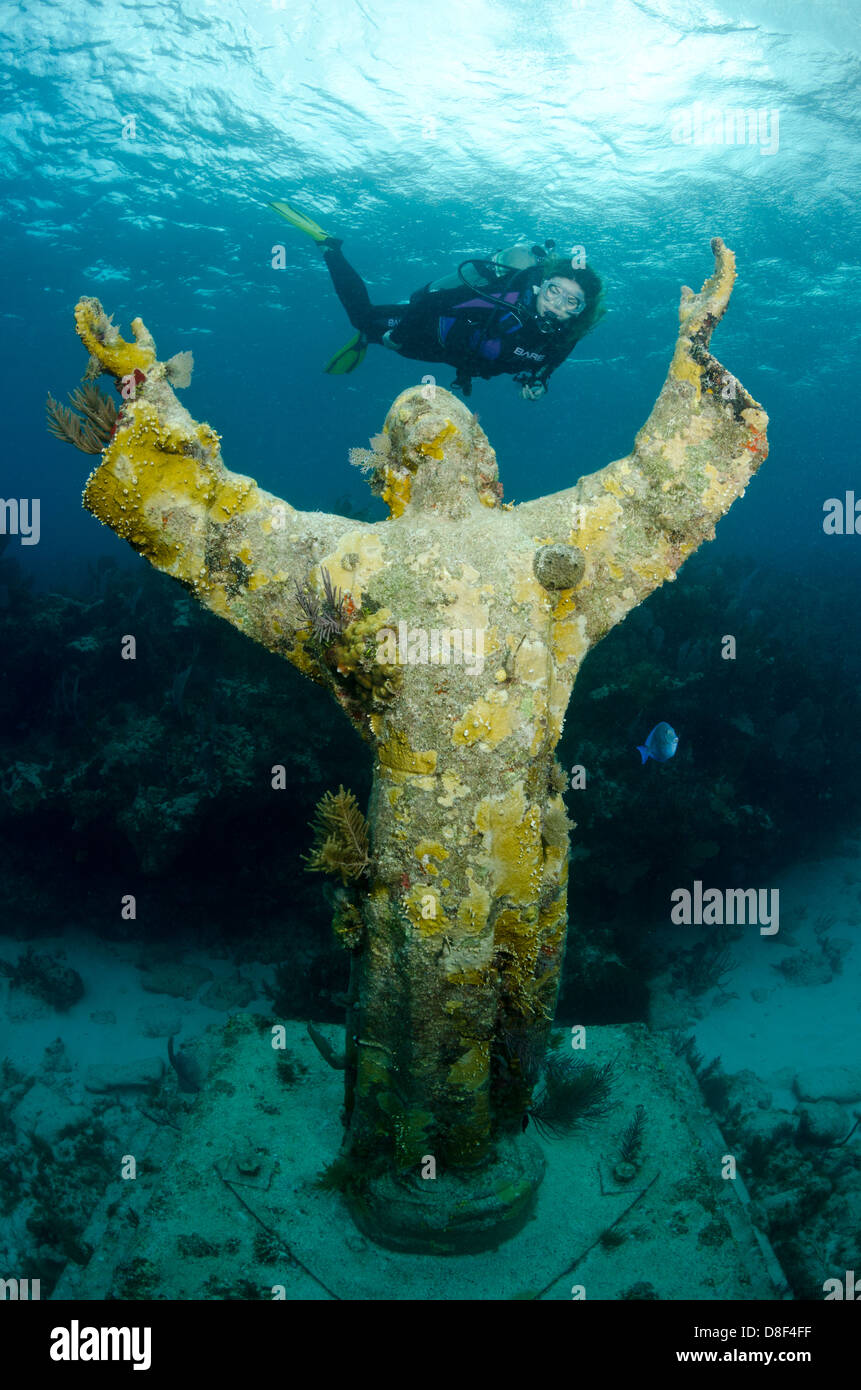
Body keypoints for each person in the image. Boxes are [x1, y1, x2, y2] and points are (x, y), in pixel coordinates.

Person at [269, 199, 605, 400]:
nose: (558, 305)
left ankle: (369, 339)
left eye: (572, 302)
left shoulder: (565, 338)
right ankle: (330, 247)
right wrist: (400, 336)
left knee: (378, 338)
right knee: (363, 316)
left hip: (450, 358)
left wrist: (539, 382)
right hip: (426, 329)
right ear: (539, 288)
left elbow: (551, 363)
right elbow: (432, 303)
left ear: (581, 311)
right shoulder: (503, 300)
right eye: (554, 291)